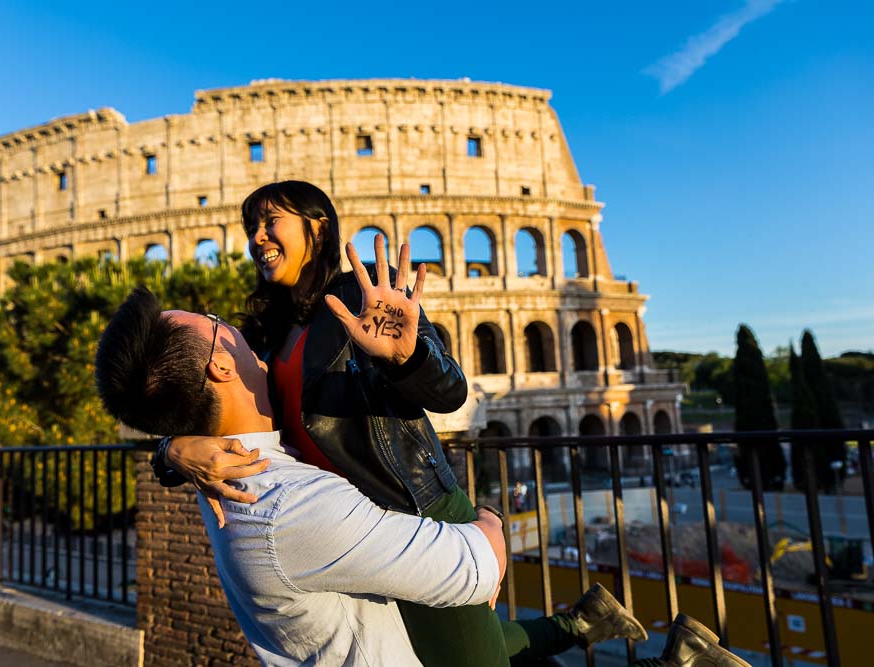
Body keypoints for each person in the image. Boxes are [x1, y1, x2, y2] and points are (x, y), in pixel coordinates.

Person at [94, 288, 750, 667]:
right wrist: (489, 515)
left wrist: (173, 448)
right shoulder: (287, 509)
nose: (232, 327)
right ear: (218, 367)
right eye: (218, 327)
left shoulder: (234, 469)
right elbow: (480, 565)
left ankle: (586, 626)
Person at [158, 180, 643, 665]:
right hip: (344, 531)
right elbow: (206, 398)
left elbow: (450, 390)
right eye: (252, 228)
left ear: (318, 227)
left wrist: (408, 357)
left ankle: (668, 655)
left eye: (270, 221)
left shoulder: (365, 291)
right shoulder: (267, 330)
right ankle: (582, 621)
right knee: (448, 650)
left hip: (415, 512)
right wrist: (172, 451)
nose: (257, 237)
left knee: (472, 658)